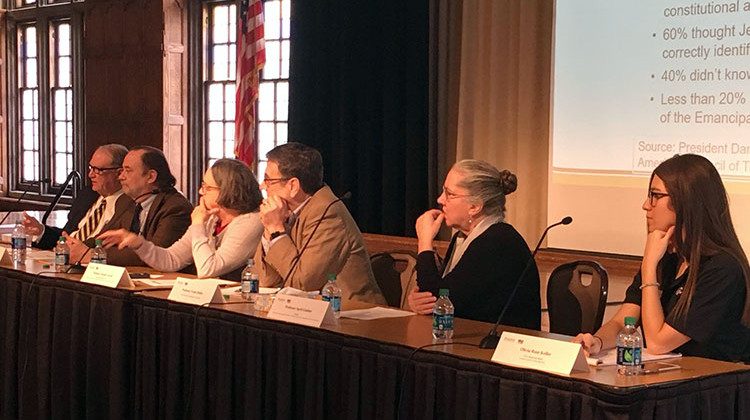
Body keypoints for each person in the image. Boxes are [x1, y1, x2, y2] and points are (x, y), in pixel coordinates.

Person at [573, 154, 750, 362]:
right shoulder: (666, 258)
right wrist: (597, 342)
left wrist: (648, 265)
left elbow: (658, 343)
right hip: (672, 381)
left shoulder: (722, 268)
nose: (646, 205)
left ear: (686, 201)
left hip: (715, 387)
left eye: (655, 196)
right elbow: (623, 322)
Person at [407, 159, 541, 328]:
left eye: (450, 194)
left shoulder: (498, 241)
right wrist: (419, 300)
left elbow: (442, 299)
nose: (440, 199)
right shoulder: (462, 238)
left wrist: (425, 242)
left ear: (475, 207)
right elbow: (440, 294)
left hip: (500, 347)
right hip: (468, 338)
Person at [256, 142, 386, 304]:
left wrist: (276, 230)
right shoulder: (284, 213)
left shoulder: (327, 213)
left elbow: (303, 284)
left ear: (293, 186)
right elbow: (266, 280)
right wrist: (270, 228)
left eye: (269, 180)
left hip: (352, 314)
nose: (262, 186)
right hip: (307, 312)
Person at [99, 159, 263, 279]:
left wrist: (198, 226)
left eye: (207, 187)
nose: (200, 191)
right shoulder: (211, 219)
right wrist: (139, 244)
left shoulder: (250, 222)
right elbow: (171, 260)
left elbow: (208, 269)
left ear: (227, 190)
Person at [68, 145, 193, 266]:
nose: (121, 177)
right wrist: (74, 246)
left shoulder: (175, 208)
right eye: (121, 170)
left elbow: (155, 253)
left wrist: (92, 255)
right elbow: (105, 237)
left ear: (151, 176)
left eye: (127, 171)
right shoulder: (125, 201)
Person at [22, 144, 135, 250]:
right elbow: (67, 236)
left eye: (98, 170)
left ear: (119, 173)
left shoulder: (130, 205)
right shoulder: (87, 196)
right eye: (91, 168)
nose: (90, 174)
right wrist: (42, 231)